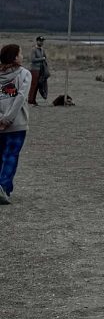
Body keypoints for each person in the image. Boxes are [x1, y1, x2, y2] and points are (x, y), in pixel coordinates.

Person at [0, 44, 32, 205]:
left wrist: (1, 119)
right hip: (17, 123)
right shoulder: (25, 74)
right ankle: (4, 187)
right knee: (11, 155)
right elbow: (20, 97)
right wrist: (7, 119)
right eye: (20, 53)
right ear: (14, 57)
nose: (22, 56)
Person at [27, 36, 48, 106]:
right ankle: (30, 100)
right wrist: (42, 58)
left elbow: (45, 58)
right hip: (34, 69)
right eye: (40, 41)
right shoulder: (33, 49)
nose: (42, 42)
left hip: (41, 70)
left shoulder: (42, 49)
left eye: (42, 41)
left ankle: (33, 100)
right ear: (37, 41)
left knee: (38, 85)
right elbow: (32, 59)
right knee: (33, 85)